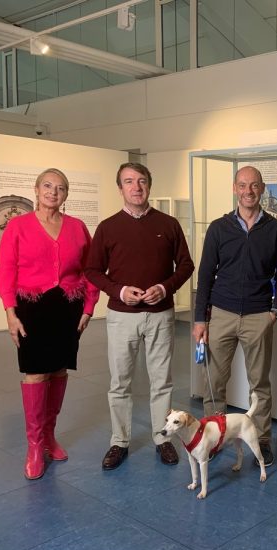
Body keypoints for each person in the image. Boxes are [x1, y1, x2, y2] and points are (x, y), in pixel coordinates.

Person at [85, 162, 194, 470]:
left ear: (149, 185)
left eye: (141, 181)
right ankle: (119, 442)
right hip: (122, 316)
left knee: (162, 382)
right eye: (129, 182)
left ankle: (163, 439)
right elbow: (92, 270)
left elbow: (186, 265)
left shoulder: (169, 224)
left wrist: (165, 287)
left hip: (160, 314)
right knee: (120, 383)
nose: (136, 187)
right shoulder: (107, 227)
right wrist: (118, 291)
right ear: (120, 188)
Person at [0, 168, 100, 480]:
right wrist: (10, 313)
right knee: (35, 373)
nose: (53, 192)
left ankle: (50, 436)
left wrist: (89, 307)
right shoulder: (18, 226)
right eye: (47, 186)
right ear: (36, 189)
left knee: (58, 370)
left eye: (60, 188)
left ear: (66, 195)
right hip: (32, 307)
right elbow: (5, 270)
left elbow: (89, 270)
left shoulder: (78, 227)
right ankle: (34, 445)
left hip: (67, 307)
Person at [193, 166, 277, 467]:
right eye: (243, 185)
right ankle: (215, 435)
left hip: (259, 315)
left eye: (255, 186)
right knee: (214, 382)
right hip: (220, 314)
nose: (249, 191)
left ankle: (261, 439)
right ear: (235, 188)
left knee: (259, 383)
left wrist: (275, 311)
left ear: (263, 189)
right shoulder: (219, 228)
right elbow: (206, 274)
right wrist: (200, 320)